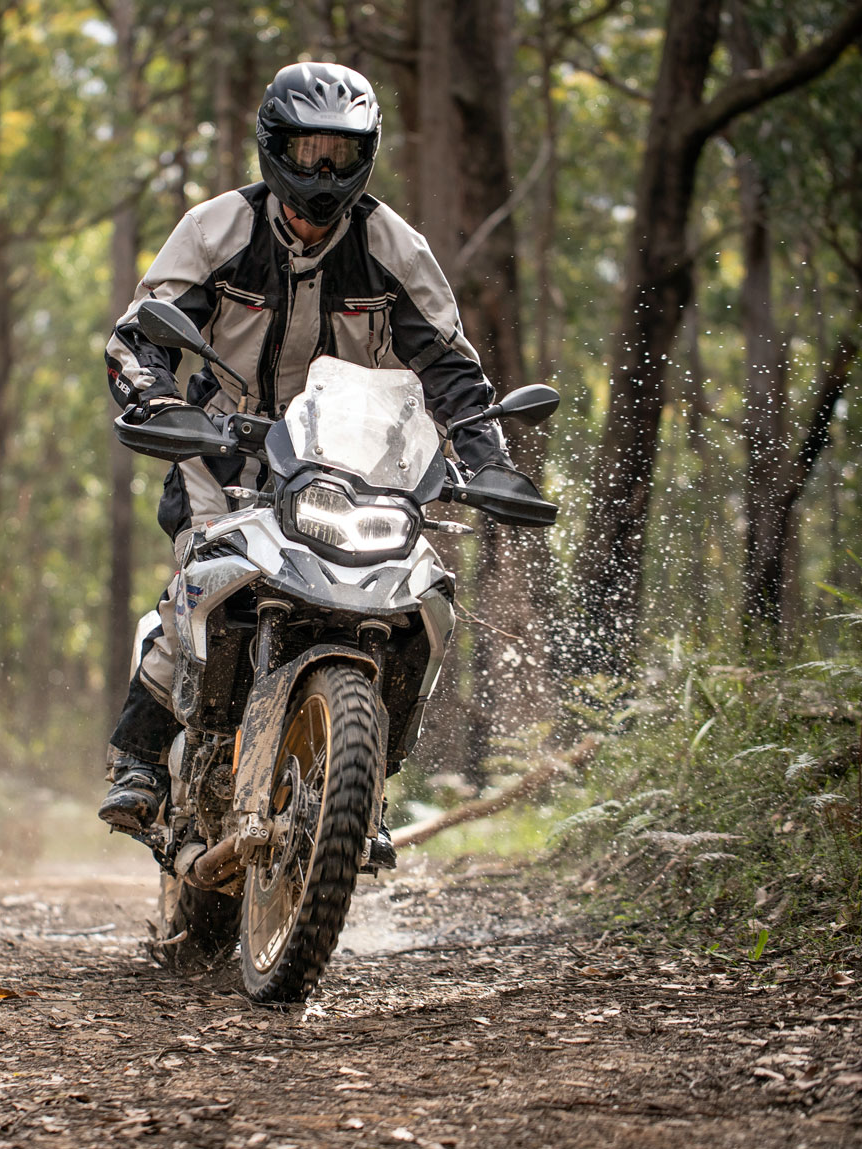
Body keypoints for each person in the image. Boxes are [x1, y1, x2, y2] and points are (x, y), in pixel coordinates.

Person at [98, 60, 545, 839]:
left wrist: (488, 456)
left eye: (340, 154)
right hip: (224, 447)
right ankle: (139, 756)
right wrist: (157, 400)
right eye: (307, 152)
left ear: (366, 155)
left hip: (351, 462)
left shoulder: (394, 247)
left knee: (411, 592)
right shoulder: (217, 228)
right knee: (200, 579)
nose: (323, 172)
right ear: (273, 148)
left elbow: (451, 366)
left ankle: (361, 778)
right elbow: (139, 336)